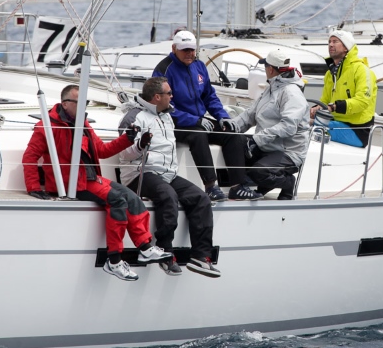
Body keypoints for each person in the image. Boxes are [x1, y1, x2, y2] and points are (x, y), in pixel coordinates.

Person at [22, 84, 172, 281]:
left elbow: (102, 150)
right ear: (66, 104)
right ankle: (115, 260)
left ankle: (145, 247)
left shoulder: (82, 123)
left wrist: (128, 139)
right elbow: (30, 156)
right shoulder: (47, 126)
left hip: (90, 178)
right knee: (118, 200)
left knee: (132, 198)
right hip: (72, 183)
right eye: (80, 102)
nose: (85, 106)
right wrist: (34, 188)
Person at [118, 77, 221, 277]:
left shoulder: (166, 115)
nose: (172, 97)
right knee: (168, 195)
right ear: (157, 97)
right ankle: (165, 253)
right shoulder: (134, 117)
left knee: (200, 198)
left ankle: (201, 256)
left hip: (167, 173)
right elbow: (123, 153)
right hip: (139, 174)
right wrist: (139, 146)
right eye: (169, 94)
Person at [153, 30, 262, 201]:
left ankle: (237, 186)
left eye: (192, 49)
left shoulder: (199, 66)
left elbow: (209, 96)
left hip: (199, 120)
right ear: (174, 48)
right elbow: (165, 106)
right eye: (185, 50)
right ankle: (211, 186)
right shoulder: (163, 69)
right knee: (198, 134)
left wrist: (222, 116)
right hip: (175, 123)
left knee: (231, 132)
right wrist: (195, 120)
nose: (189, 53)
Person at [223, 49, 310, 200]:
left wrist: (256, 140)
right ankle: (241, 188)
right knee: (234, 142)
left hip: (288, 152)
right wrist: (231, 126)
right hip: (268, 147)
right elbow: (251, 114)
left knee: (257, 172)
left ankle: (288, 182)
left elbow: (288, 126)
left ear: (270, 69)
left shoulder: (291, 93)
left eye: (265, 66)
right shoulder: (272, 87)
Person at [309, 30, 378, 147]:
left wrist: (334, 107)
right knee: (302, 125)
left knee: (307, 130)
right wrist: (318, 107)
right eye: (329, 42)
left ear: (346, 47)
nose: (330, 44)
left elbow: (362, 101)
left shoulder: (361, 70)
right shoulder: (329, 74)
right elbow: (325, 100)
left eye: (335, 41)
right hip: (336, 123)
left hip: (358, 130)